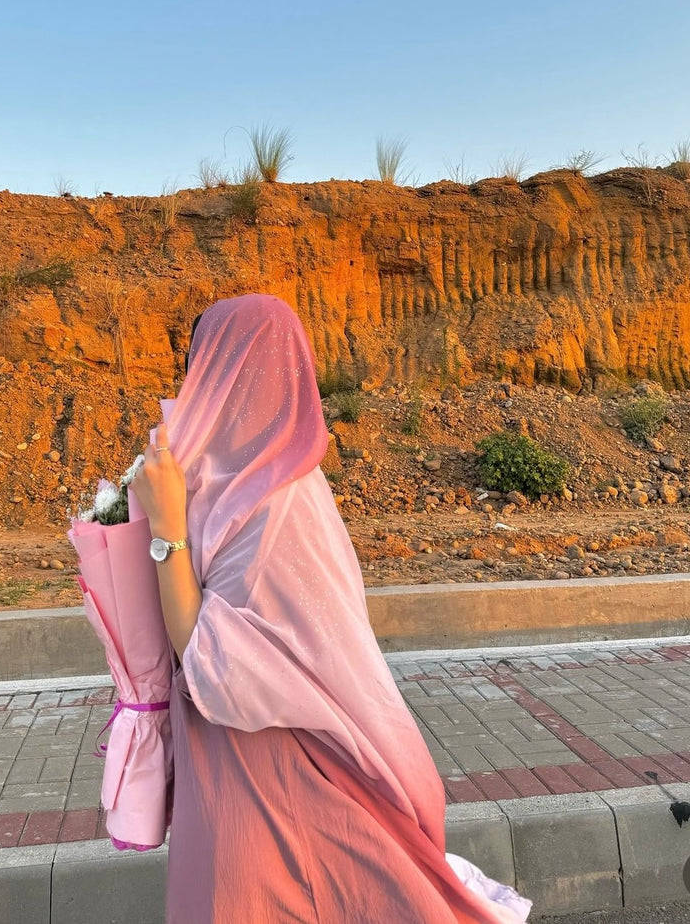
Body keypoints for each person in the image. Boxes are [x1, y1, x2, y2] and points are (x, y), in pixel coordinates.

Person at [131, 293, 529, 924]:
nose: (189, 385)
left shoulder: (273, 505)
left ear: (232, 375)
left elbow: (214, 667)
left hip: (268, 779)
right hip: (231, 773)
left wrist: (165, 529)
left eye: (201, 365)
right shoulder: (232, 482)